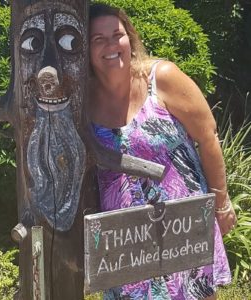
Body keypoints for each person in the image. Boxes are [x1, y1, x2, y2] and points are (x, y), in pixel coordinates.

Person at [88, 3, 237, 300]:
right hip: (125, 243)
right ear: (86, 51)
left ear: (130, 38)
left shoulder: (162, 78)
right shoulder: (84, 102)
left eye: (116, 35)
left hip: (183, 229)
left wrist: (221, 203)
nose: (110, 45)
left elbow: (208, 137)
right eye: (97, 39)